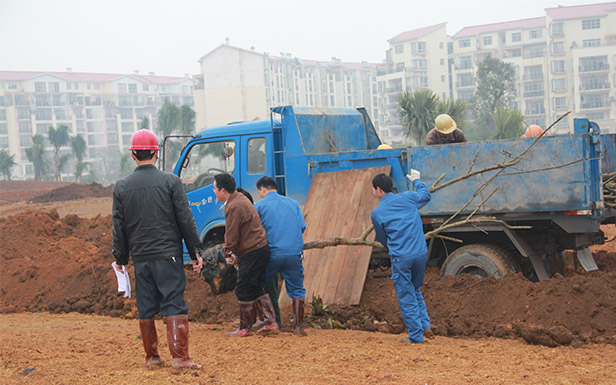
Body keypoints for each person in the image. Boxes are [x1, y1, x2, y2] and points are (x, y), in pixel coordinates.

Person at [112, 128, 203, 369]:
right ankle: (181, 358)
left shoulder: (121, 186)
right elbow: (185, 219)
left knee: (146, 304)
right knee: (173, 301)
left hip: (141, 257)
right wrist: (196, 252)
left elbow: (118, 226)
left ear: (133, 156)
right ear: (156, 153)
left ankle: (152, 357)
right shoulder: (170, 182)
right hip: (168, 255)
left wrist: (121, 258)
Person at [213, 173, 279, 337]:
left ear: (222, 190)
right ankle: (270, 321)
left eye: (214, 188)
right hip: (259, 248)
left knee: (242, 287)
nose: (213, 192)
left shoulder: (234, 206)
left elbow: (232, 233)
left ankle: (245, 328)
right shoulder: (240, 199)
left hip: (253, 250)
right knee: (255, 285)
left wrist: (228, 252)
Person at [370, 171, 432, 343]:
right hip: (420, 253)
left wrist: (392, 248)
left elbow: (383, 238)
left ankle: (416, 336)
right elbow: (426, 196)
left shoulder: (377, 213)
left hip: (401, 257)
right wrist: (417, 180)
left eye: (373, 189)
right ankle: (425, 326)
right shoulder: (408, 198)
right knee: (414, 288)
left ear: (379, 190)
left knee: (406, 294)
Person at [254, 176, 307, 335]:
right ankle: (298, 327)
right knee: (297, 289)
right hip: (294, 253)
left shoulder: (259, 205)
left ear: (262, 189)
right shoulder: (293, 203)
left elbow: (255, 232)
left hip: (272, 253)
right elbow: (302, 227)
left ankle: (271, 322)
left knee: (257, 284)